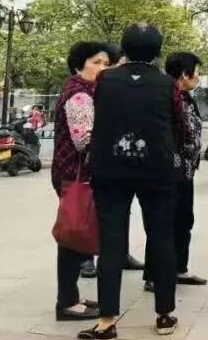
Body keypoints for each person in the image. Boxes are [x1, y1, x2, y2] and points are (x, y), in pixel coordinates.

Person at [80, 23, 186, 340]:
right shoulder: (167, 83)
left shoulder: (105, 79)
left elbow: (101, 113)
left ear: (124, 49)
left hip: (111, 168)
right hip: (157, 170)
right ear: (157, 51)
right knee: (162, 238)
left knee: (112, 242)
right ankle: (164, 315)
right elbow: (179, 124)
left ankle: (106, 321)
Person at [51, 42, 109, 323]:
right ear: (78, 65)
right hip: (76, 175)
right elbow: (84, 141)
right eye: (96, 62)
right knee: (73, 235)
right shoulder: (80, 96)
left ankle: (71, 296)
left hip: (74, 173)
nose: (102, 68)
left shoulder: (86, 91)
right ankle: (67, 302)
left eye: (106, 63)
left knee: (75, 235)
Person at [143, 52, 207, 292]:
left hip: (186, 172)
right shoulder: (165, 96)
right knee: (163, 223)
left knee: (183, 220)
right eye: (196, 72)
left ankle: (179, 267)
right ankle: (154, 274)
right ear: (184, 74)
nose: (198, 77)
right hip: (167, 171)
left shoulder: (186, 98)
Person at [79, 43, 144, 282]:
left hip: (116, 158)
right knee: (88, 210)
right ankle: (86, 257)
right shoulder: (87, 91)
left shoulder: (118, 88)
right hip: (89, 162)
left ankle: (121, 252)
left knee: (120, 210)